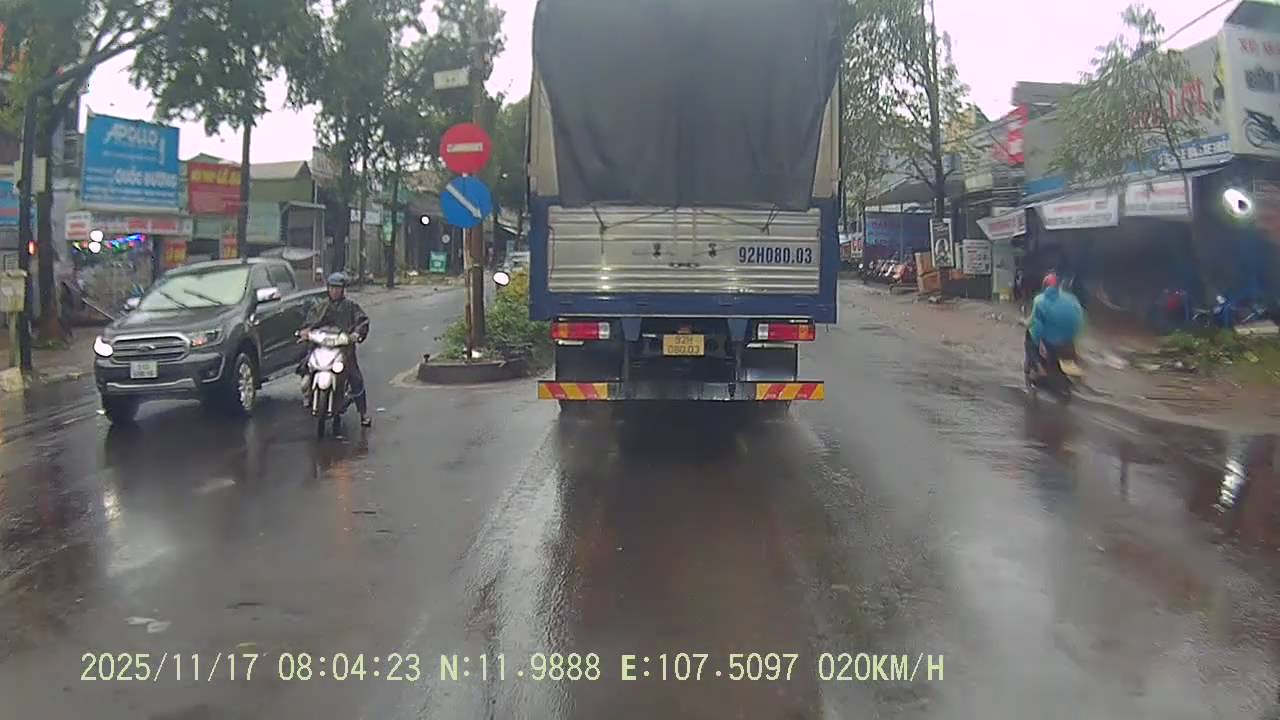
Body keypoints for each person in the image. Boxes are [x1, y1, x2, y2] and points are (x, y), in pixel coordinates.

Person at [299, 272, 372, 426]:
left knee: (355, 378)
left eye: (337, 288)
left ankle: (363, 413)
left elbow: (362, 321)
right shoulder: (321, 306)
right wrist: (306, 331)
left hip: (343, 348)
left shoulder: (351, 306)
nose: (334, 291)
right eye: (332, 288)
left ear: (343, 290)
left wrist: (357, 333)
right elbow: (310, 321)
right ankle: (308, 393)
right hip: (321, 346)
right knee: (306, 365)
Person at [1025, 272, 1084, 380]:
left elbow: (1036, 327)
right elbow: (1079, 322)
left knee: (1029, 338)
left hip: (1051, 345)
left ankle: (1038, 368)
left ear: (1044, 286)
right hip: (1068, 343)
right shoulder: (1072, 300)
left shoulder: (1040, 300)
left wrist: (1039, 343)